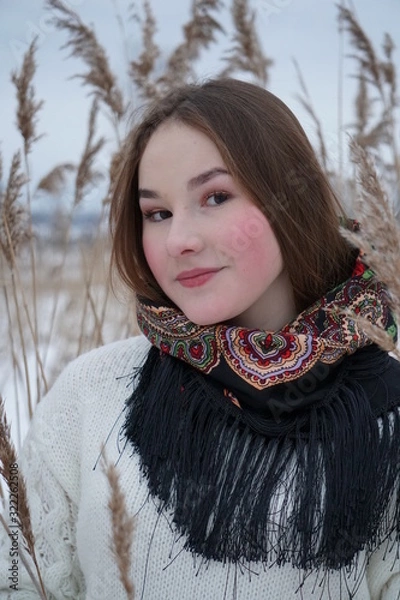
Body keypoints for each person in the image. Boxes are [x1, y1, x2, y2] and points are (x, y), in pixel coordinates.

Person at [0, 78, 399, 599]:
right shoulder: (92, 393)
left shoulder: (385, 414)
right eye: (156, 214)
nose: (179, 241)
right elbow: (20, 583)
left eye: (215, 197)